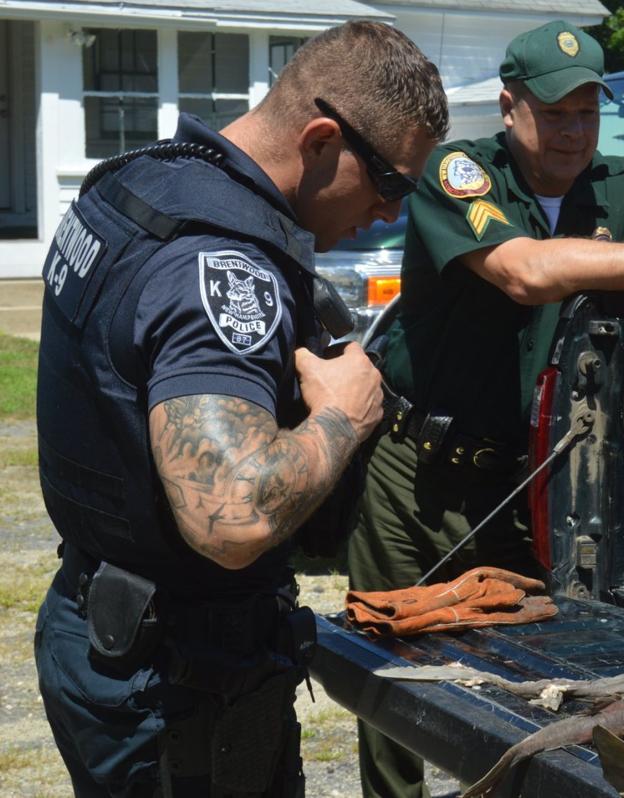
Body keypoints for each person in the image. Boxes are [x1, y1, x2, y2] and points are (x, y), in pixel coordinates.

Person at [33, 21, 447, 797]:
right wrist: (344, 417)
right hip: (180, 685)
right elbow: (232, 518)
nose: (390, 215)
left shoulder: (138, 184)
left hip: (100, 626)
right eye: (391, 183)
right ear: (323, 140)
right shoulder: (219, 266)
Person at [346, 19, 624, 798]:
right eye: (553, 112)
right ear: (510, 107)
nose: (572, 131)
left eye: (587, 112)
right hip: (415, 472)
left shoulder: (622, 186)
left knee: (528, 675)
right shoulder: (460, 171)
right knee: (390, 678)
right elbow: (526, 271)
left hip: (531, 481)